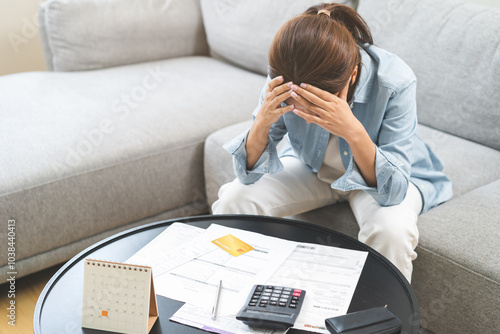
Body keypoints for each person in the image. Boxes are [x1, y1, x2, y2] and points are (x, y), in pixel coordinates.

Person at [212, 3, 452, 282]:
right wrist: (263, 120)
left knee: (391, 231)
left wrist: (352, 130)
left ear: (351, 74)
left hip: (378, 176)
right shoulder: (287, 71)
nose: (308, 119)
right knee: (234, 199)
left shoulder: (395, 81)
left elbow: (393, 192)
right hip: (312, 168)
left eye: (316, 106)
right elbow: (246, 174)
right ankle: (228, 289)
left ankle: (380, 321)